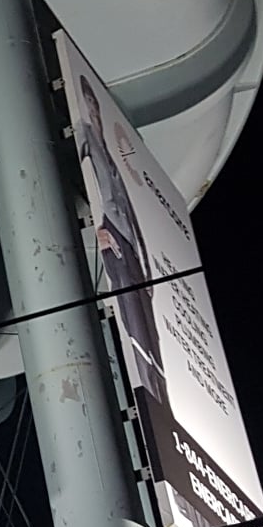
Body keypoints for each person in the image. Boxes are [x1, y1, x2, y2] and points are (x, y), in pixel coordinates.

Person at [77, 74, 166, 404]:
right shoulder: (83, 138)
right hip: (113, 244)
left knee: (151, 329)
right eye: (89, 105)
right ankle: (151, 395)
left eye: (95, 106)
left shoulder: (109, 152)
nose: (94, 112)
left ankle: (161, 396)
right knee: (135, 325)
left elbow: (132, 216)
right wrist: (94, 231)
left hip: (130, 245)